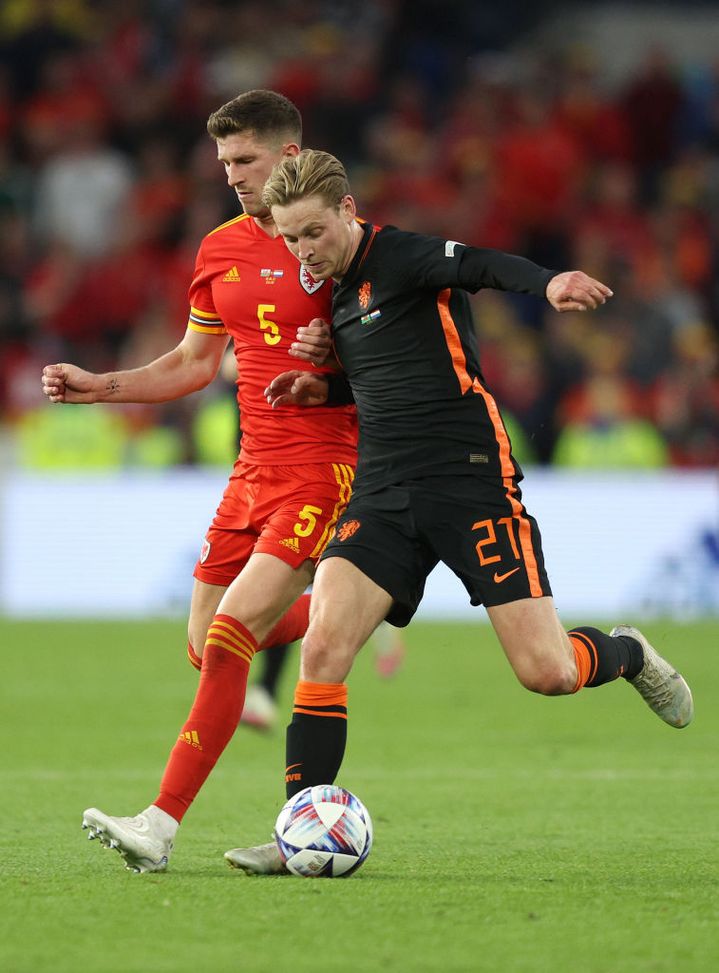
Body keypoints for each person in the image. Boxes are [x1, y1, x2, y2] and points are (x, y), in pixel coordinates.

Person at [225, 149, 693, 874]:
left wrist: (549, 283)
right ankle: (300, 831)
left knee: (546, 670)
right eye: (289, 238)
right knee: (321, 647)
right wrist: (325, 390)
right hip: (383, 493)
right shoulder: (333, 298)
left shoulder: (402, 256)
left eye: (313, 232)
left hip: (469, 481)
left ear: (347, 211)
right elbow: (391, 378)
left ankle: (626, 651)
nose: (302, 251)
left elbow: (479, 264)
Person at [39, 91, 383, 874]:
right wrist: (103, 386)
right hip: (249, 471)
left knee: (231, 634)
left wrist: (336, 352)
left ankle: (159, 824)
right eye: (225, 162)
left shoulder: (337, 244)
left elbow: (394, 358)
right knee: (206, 646)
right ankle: (361, 602)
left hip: (321, 469)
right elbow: (193, 364)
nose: (232, 175)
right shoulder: (220, 248)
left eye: (247, 160)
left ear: (290, 158)